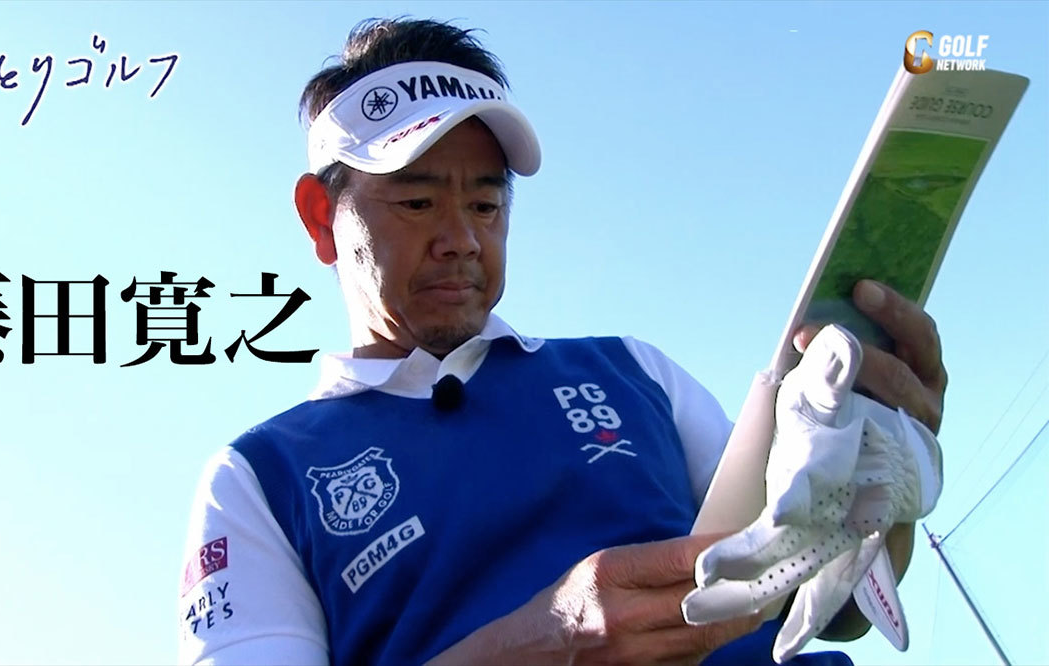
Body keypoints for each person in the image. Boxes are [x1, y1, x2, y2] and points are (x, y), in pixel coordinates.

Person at [177, 18, 947, 666]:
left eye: (486, 205)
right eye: (416, 201)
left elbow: (832, 607)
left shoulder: (632, 370)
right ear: (321, 218)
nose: (461, 239)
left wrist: (884, 488)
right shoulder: (258, 482)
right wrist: (548, 640)